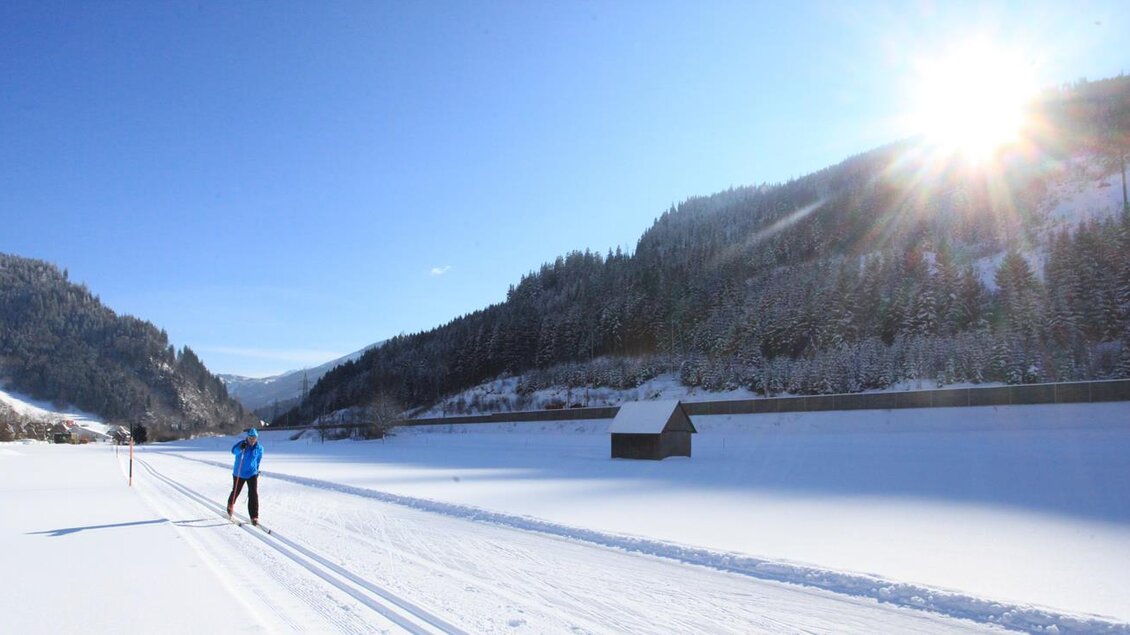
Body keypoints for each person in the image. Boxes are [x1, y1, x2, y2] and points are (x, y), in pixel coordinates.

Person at [227, 427, 263, 525]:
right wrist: (240, 448)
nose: (252, 440)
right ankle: (230, 505)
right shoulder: (242, 444)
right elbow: (233, 451)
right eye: (250, 437)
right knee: (236, 491)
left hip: (252, 473)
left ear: (256, 438)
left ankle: (254, 516)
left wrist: (257, 470)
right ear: (247, 437)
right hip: (239, 473)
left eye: (254, 438)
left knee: (253, 494)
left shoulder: (259, 448)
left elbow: (258, 460)